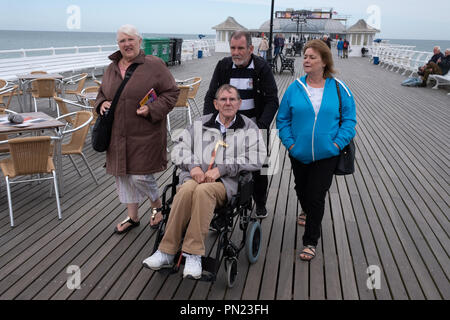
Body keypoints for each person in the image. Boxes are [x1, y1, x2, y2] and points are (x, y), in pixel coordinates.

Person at [142, 84, 266, 279]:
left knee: (203, 191)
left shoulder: (248, 127)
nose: (228, 103)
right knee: (185, 190)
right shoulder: (201, 122)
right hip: (194, 178)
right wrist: (194, 167)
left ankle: (193, 254)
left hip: (225, 184)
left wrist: (222, 169)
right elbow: (179, 149)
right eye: (223, 99)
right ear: (215, 104)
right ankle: (166, 251)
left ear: (239, 103)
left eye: (232, 99)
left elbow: (258, 157)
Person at [276, 39, 356, 261]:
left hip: (327, 153)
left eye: (312, 57)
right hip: (298, 151)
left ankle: (310, 240)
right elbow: (282, 119)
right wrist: (290, 143)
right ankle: (306, 210)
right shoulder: (294, 88)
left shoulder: (340, 89)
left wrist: (336, 144)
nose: (307, 60)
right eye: (305, 56)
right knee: (301, 188)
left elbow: (349, 120)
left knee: (317, 194)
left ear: (324, 61)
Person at [95, 24, 179, 234]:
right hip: (117, 134)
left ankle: (156, 206)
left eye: (130, 39)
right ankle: (133, 217)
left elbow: (171, 93)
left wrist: (152, 108)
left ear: (140, 41)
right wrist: (101, 104)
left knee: (140, 176)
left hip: (145, 133)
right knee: (123, 176)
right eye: (122, 40)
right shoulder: (111, 68)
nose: (127, 44)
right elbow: (101, 93)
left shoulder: (155, 65)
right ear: (118, 44)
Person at [203, 30, 279, 218]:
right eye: (232, 48)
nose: (236, 52)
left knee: (260, 167)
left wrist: (260, 127)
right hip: (227, 126)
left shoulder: (262, 68)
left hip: (254, 125)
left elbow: (272, 100)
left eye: (240, 48)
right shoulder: (224, 66)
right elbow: (210, 96)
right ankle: (223, 205)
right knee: (222, 163)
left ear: (251, 49)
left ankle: (260, 202)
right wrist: (209, 124)